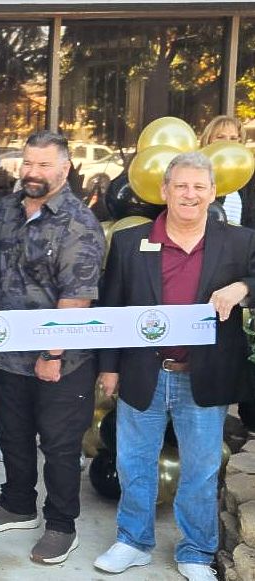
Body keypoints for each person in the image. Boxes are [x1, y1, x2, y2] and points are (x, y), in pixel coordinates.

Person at [94, 151, 255, 581]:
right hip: (143, 372)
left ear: (213, 192)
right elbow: (113, 308)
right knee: (133, 463)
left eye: (199, 187)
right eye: (181, 186)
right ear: (164, 191)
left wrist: (242, 286)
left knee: (201, 471)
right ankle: (133, 541)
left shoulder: (239, 241)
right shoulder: (131, 243)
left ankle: (197, 551)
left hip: (203, 377)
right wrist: (108, 367)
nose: (190, 194)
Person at [0, 131, 106, 565]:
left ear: (64, 169)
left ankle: (61, 524)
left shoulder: (78, 222)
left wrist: (53, 354)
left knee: (60, 446)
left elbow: (76, 299)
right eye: (28, 163)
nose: (32, 172)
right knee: (12, 435)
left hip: (58, 362)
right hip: (7, 354)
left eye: (43, 165)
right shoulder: (6, 209)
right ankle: (17, 504)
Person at [199, 116, 246, 225]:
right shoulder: (195, 169)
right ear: (208, 140)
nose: (228, 142)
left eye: (233, 138)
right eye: (221, 137)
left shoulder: (249, 175)